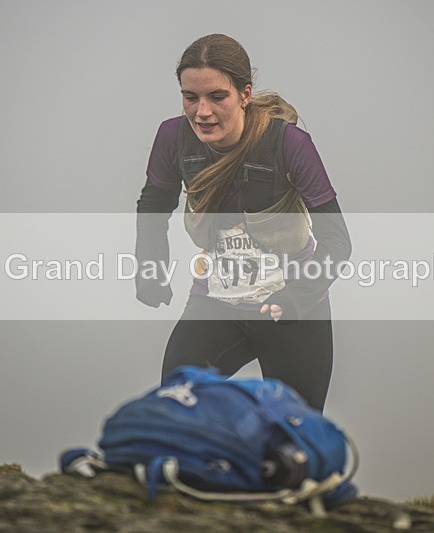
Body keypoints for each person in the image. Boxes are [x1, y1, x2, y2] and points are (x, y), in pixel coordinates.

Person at [135, 34, 350, 412]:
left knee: (294, 438)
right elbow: (153, 205)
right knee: (177, 405)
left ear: (245, 94)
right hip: (215, 303)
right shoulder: (173, 138)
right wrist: (150, 269)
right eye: (191, 97)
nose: (202, 111)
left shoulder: (289, 144)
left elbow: (337, 241)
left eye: (218, 97)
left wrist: (297, 297)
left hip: (293, 310)